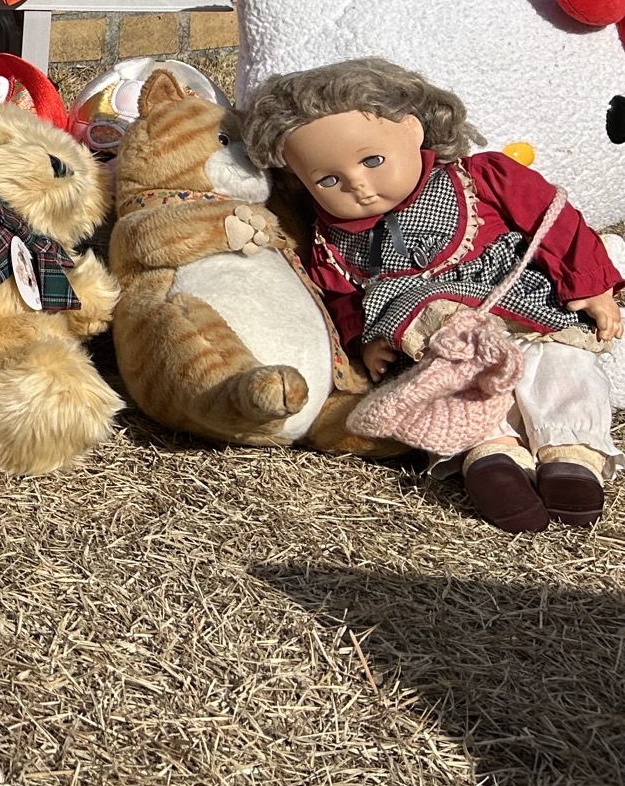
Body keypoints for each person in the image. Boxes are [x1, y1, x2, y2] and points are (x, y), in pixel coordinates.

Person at [243, 59, 622, 532]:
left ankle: (571, 454)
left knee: (562, 365)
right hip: (436, 336)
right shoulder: (332, 240)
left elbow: (553, 219)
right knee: (448, 386)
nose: (357, 185)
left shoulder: (478, 178)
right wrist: (365, 339)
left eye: (372, 161)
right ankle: (489, 455)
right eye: (328, 180)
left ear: (413, 130)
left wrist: (590, 284)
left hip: (520, 306)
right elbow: (341, 296)